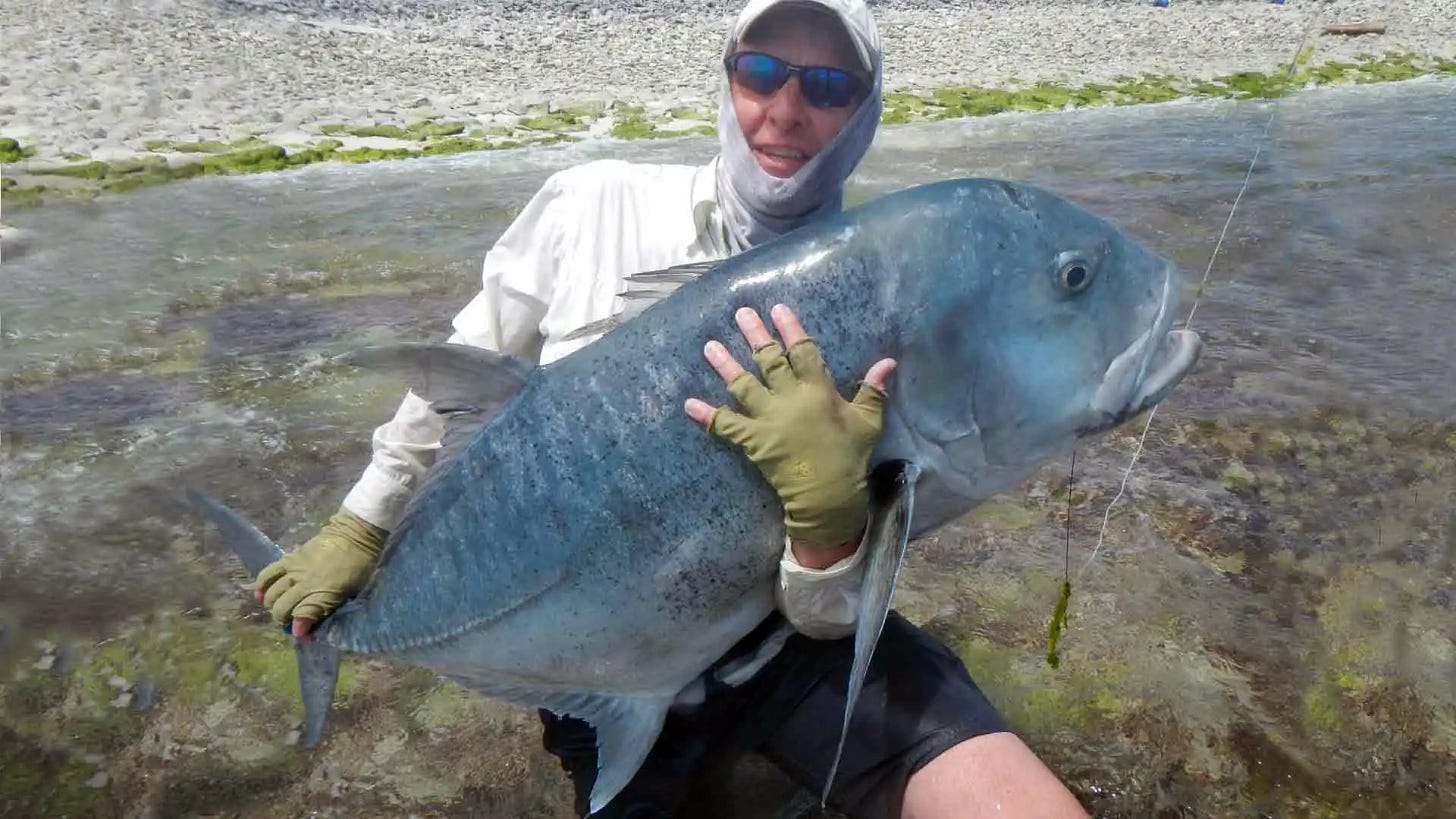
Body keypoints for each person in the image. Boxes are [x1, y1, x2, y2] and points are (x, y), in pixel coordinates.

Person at [252, 1, 1090, 817]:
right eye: (761, 73)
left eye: (828, 87)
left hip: (794, 653)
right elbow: (460, 373)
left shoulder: (891, 296)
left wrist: (828, 528)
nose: (786, 110)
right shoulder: (591, 204)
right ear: (726, 81)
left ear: (865, 113)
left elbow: (829, 612)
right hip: (606, 665)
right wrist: (362, 524)